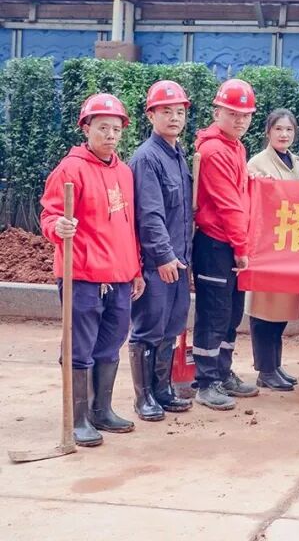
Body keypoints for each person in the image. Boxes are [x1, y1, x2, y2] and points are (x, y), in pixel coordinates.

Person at [40, 93, 145, 446]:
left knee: (111, 343)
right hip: (82, 274)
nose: (111, 135)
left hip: (119, 275)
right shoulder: (70, 169)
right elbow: (50, 214)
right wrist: (57, 226)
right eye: (103, 127)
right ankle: (78, 417)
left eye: (116, 129)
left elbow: (128, 226)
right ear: (86, 128)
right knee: (79, 345)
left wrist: (136, 269)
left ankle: (102, 409)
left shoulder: (124, 172)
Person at [127, 80, 194, 421]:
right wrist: (164, 256)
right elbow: (149, 215)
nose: (174, 118)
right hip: (158, 264)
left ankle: (163, 390)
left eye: (179, 112)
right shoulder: (147, 158)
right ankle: (144, 397)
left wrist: (180, 259)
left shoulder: (178, 155)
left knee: (170, 328)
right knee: (149, 329)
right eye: (166, 111)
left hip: (179, 261)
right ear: (151, 115)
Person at [192, 78, 258, 411]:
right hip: (216, 244)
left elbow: (239, 192)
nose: (240, 120)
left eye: (245, 115)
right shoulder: (214, 150)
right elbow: (228, 204)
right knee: (214, 313)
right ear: (217, 112)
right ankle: (206, 382)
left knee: (231, 312)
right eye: (233, 114)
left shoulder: (235, 146)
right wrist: (241, 248)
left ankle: (222, 371)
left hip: (229, 243)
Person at [246, 109, 299, 391]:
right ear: (268, 132)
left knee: (281, 310)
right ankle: (265, 369)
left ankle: (275, 364)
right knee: (264, 309)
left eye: (289, 130)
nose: (284, 134)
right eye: (278, 129)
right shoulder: (256, 164)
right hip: (267, 246)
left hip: (292, 246)